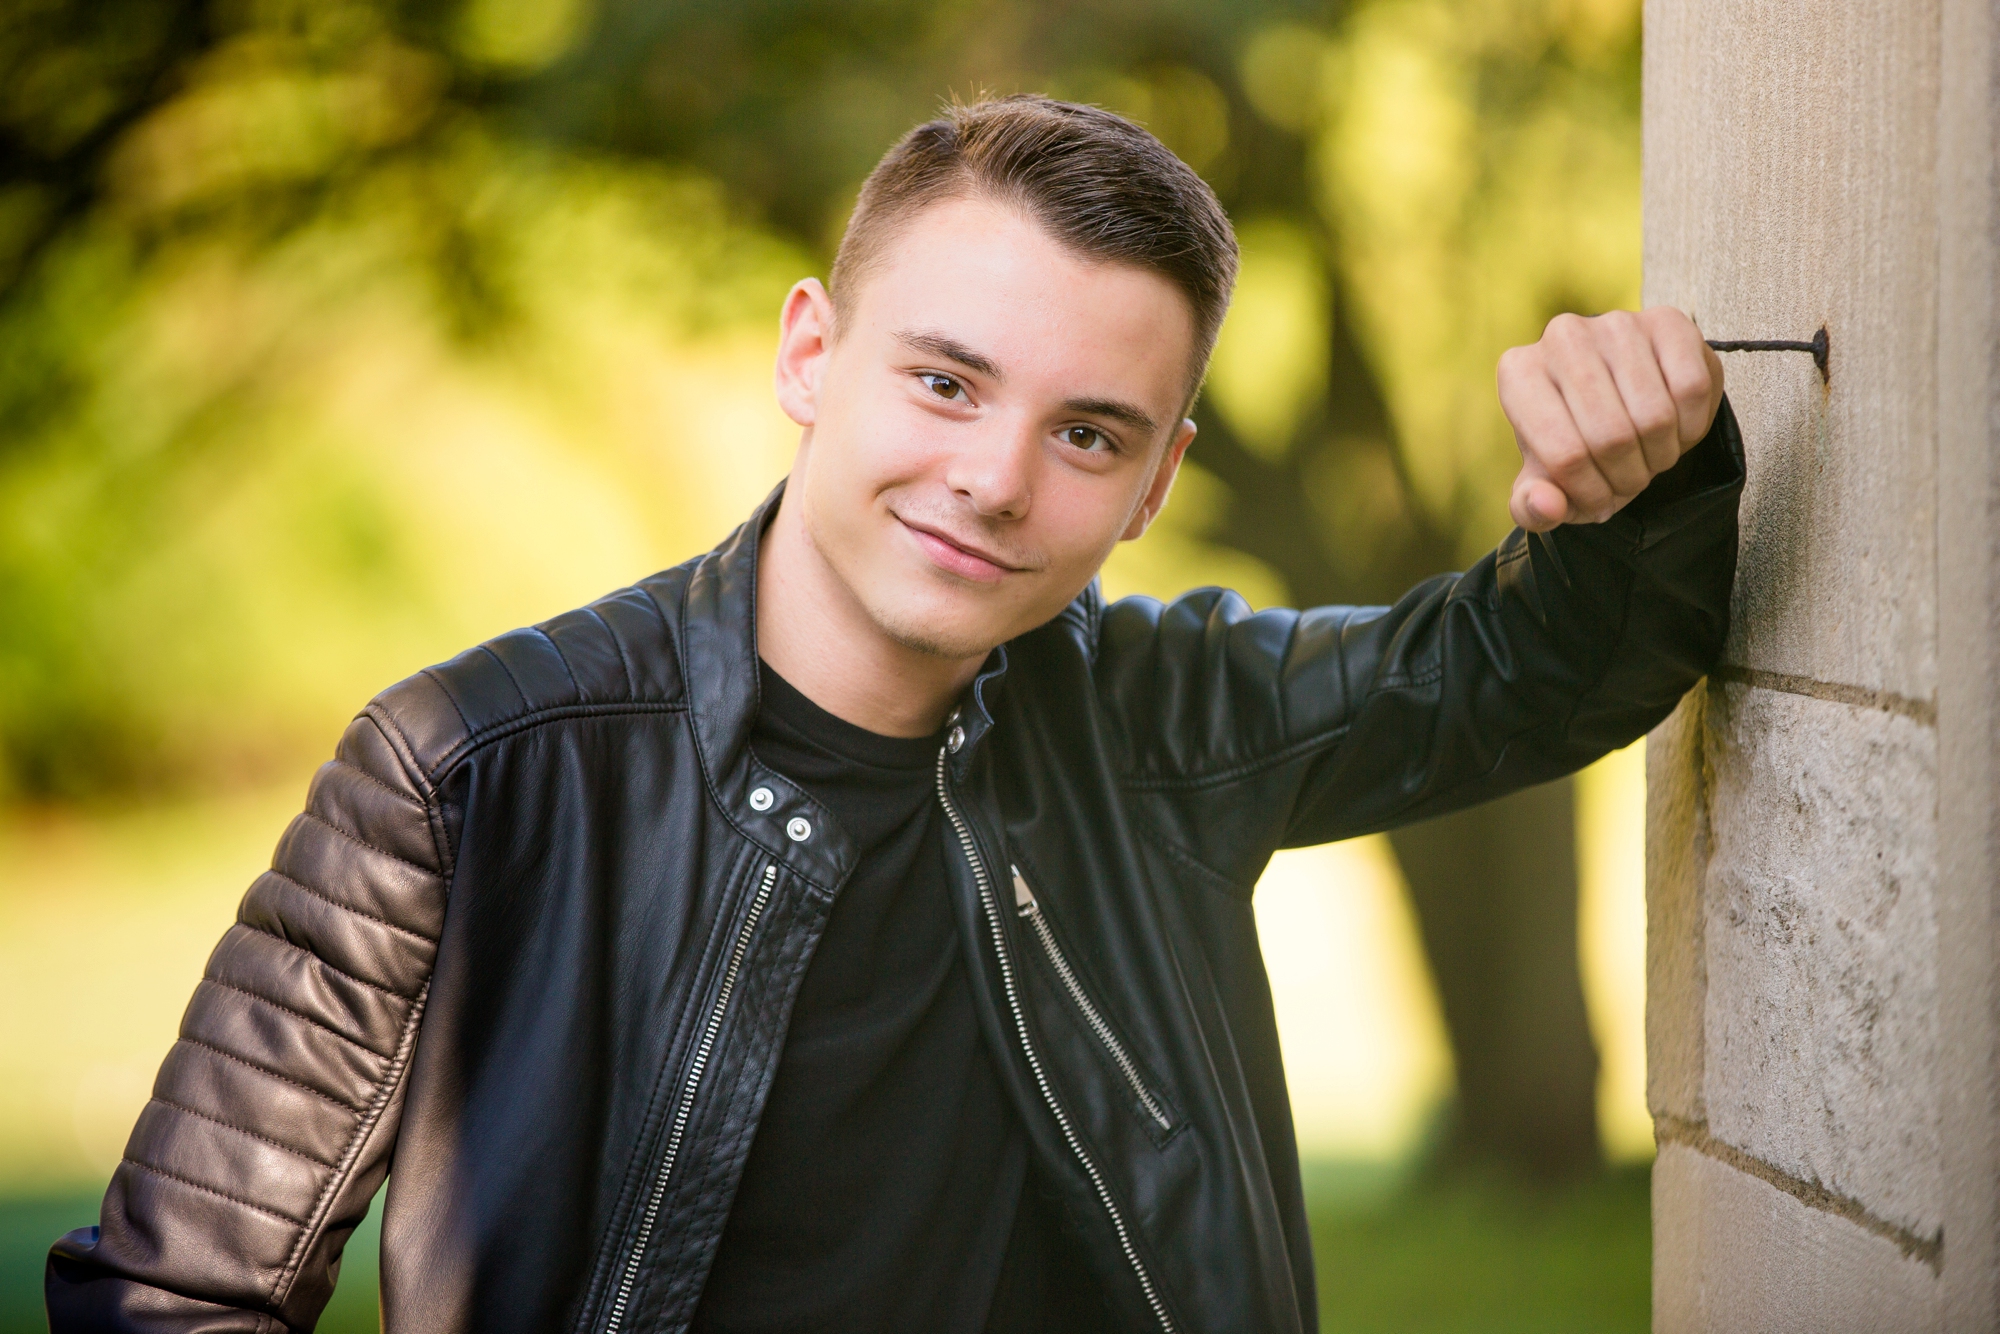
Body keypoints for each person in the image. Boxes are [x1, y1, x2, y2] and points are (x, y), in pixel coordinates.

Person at [46, 95, 1739, 1333]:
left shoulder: (1158, 720)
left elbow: (1523, 672)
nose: (994, 480)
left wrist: (1634, 480)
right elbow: (174, 1290)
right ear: (809, 352)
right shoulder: (470, 767)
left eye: (1088, 432)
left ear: (1158, 481)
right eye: (945, 380)